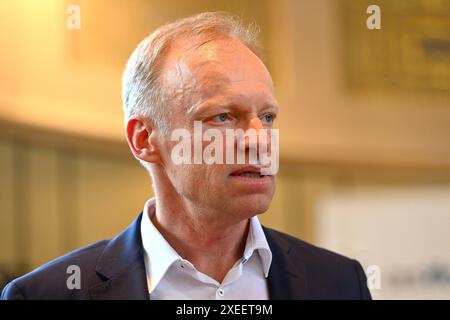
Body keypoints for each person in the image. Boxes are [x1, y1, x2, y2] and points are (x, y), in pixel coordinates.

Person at [1, 12, 371, 300]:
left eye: (268, 117)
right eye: (223, 117)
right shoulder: (48, 294)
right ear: (145, 139)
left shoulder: (339, 283)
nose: (260, 141)